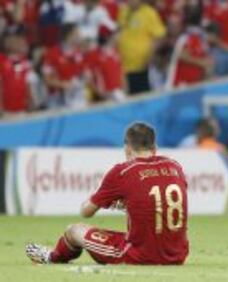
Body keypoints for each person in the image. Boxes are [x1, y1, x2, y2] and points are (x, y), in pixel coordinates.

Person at [25, 122, 189, 265]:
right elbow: (159, 202)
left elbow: (85, 212)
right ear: (154, 148)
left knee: (74, 230)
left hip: (138, 256)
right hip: (177, 255)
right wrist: (129, 205)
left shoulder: (123, 171)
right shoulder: (174, 166)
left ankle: (53, 257)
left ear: (127, 147)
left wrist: (108, 203)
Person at [118, 0, 166, 94]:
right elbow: (120, 31)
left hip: (142, 67)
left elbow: (160, 37)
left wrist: (150, 55)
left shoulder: (149, 13)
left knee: (142, 98)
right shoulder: (124, 11)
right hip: (124, 67)